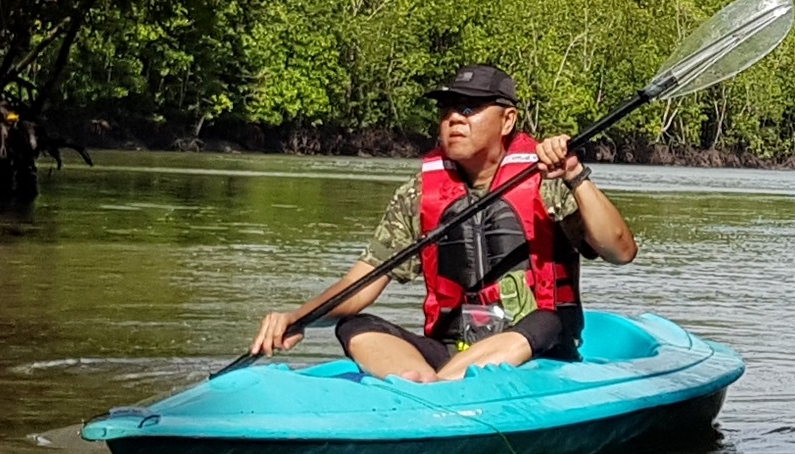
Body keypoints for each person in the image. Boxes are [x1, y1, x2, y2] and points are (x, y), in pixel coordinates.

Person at [247, 62, 638, 382]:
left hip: (536, 348)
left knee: (547, 320)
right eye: (447, 110)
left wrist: (573, 173)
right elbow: (360, 284)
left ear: (507, 120)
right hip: (452, 352)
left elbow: (620, 250)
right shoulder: (419, 194)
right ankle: (421, 384)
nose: (453, 119)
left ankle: (444, 388)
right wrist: (298, 319)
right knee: (355, 327)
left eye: (469, 109)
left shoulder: (546, 180)